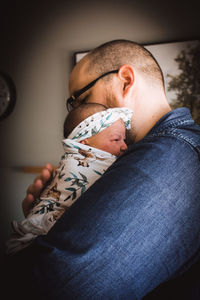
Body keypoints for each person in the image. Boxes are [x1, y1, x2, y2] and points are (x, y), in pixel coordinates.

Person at [5, 39, 200, 299]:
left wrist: (35, 244)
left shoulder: (172, 156)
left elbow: (56, 285)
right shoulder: (149, 156)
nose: (80, 115)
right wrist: (47, 220)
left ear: (126, 81)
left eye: (81, 99)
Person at [6, 103, 133, 254]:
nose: (125, 146)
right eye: (116, 139)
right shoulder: (80, 164)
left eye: (124, 139)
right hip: (43, 233)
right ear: (84, 143)